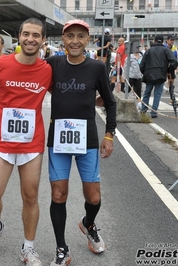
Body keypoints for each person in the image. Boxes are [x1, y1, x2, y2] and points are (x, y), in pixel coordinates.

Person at [0, 17, 53, 266]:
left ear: (43, 40)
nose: (31, 39)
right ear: (19, 37)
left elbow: (66, 92)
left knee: (30, 197)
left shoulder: (47, 70)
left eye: (36, 35)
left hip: (32, 144)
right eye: (26, 34)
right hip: (2, 141)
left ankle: (28, 248)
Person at [45, 19, 116, 266]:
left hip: (87, 140)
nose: (75, 41)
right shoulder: (52, 63)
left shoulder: (97, 67)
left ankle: (88, 224)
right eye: (70, 36)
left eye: (80, 36)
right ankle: (61, 248)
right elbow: (27, 73)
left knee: (94, 197)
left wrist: (109, 135)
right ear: (63, 40)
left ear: (88, 40)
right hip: (59, 140)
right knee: (58, 193)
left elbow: (110, 102)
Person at [140, 35, 178, 118]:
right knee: (157, 94)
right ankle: (154, 112)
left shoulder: (149, 50)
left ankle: (143, 110)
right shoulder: (166, 50)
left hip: (149, 74)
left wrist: (145, 72)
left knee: (147, 93)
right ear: (163, 41)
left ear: (154, 41)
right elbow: (174, 62)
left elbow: (142, 65)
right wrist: (168, 70)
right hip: (161, 74)